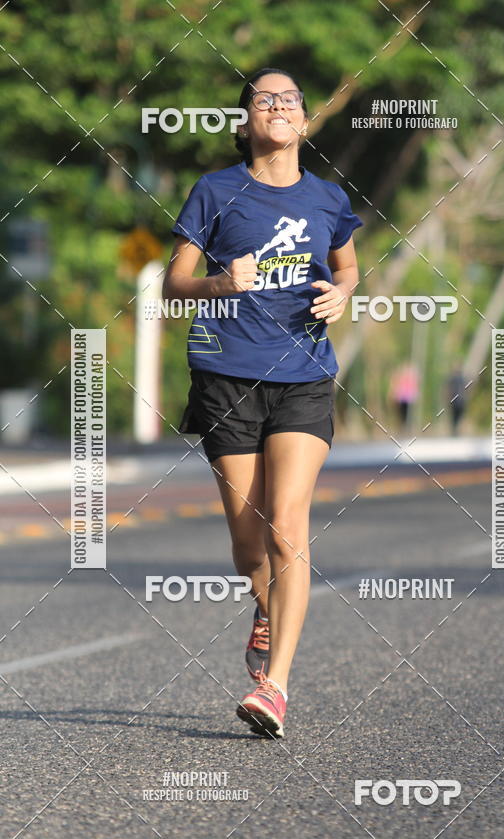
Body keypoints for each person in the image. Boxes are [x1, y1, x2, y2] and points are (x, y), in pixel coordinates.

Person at [163, 68, 362, 738]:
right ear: (245, 122)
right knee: (249, 545)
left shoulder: (329, 198)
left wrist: (344, 294)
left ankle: (275, 688)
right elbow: (173, 283)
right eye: (263, 99)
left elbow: (349, 265)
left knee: (286, 525)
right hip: (225, 374)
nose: (278, 106)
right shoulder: (216, 191)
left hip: (303, 375)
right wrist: (218, 282)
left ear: (304, 121)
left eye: (290, 99)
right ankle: (264, 606)